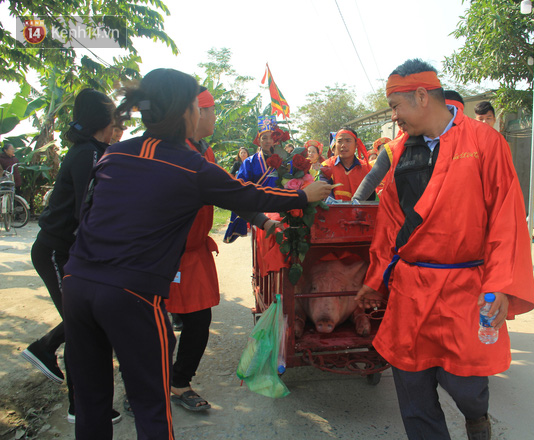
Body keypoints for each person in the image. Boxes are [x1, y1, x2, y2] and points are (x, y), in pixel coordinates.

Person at [60, 68, 331, 439]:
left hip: (76, 285)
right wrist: (304, 195)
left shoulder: (114, 154)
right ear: (185, 111)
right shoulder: (190, 166)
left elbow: (86, 216)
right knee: (151, 403)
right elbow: (248, 195)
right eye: (199, 106)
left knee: (91, 402)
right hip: (130, 295)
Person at [355, 59, 534, 440]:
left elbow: (506, 217)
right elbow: (390, 224)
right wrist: (375, 280)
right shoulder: (399, 151)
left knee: (467, 385)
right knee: (411, 385)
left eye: (396, 105)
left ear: (422, 96)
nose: (394, 116)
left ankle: (476, 418)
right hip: (410, 288)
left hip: (465, 287)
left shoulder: (484, 142)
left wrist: (501, 283)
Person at [21, 88, 122, 424]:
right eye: (113, 119)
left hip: (68, 252)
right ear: (103, 120)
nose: (117, 126)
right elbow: (87, 211)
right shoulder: (86, 155)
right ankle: (76, 399)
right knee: (83, 327)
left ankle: (75, 394)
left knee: (86, 325)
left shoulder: (94, 151)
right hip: (55, 251)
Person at [163, 87, 217, 413]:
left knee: (198, 320)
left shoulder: (203, 151)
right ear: (195, 113)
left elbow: (227, 189)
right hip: (167, 254)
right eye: (210, 110)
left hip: (194, 253)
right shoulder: (175, 153)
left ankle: (179, 381)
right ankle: (144, 386)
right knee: (156, 324)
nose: (214, 117)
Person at [223, 115, 289, 243]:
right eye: (264, 138)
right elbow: (241, 187)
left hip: (282, 210)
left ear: (276, 140)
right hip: (260, 213)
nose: (268, 141)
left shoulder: (286, 162)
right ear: (258, 141)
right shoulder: (249, 162)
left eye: (271, 137)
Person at [319, 127, 371, 201]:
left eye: (348, 141)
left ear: (356, 145)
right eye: (339, 141)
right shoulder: (327, 166)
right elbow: (324, 194)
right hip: (334, 210)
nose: (343, 145)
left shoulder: (366, 168)